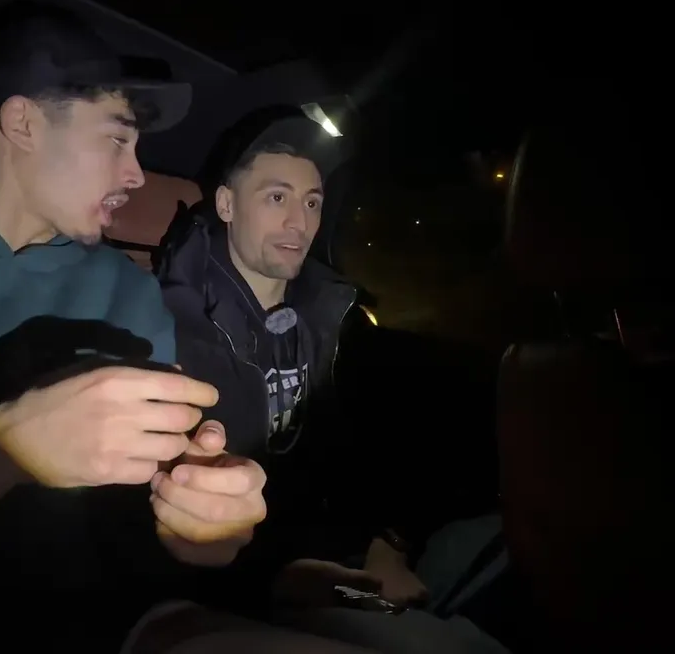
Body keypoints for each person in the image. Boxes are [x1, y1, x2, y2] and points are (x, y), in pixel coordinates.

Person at [0, 2, 270, 649]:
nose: (136, 173)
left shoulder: (128, 291)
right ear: (23, 122)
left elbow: (147, 519)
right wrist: (5, 447)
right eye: (116, 139)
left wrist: (198, 516)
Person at [157, 117, 510, 653]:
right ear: (226, 204)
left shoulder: (334, 317)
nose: (299, 221)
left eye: (313, 202)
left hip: (356, 550)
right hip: (255, 590)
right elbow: (167, 539)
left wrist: (391, 540)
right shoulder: (173, 332)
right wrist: (293, 580)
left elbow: (398, 436)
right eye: (277, 197)